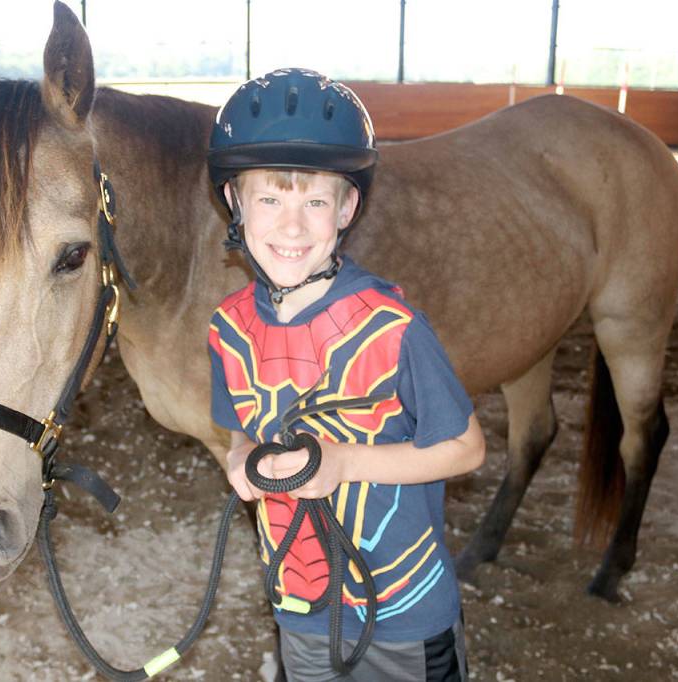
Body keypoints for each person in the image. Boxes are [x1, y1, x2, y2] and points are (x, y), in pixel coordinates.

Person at [206, 68, 485, 681]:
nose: (292, 225)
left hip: (404, 617)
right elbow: (241, 431)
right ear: (235, 202)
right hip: (299, 605)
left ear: (347, 207)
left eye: (315, 201)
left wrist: (345, 462)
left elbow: (466, 448)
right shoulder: (228, 329)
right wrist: (240, 460)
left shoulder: (393, 326)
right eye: (270, 199)